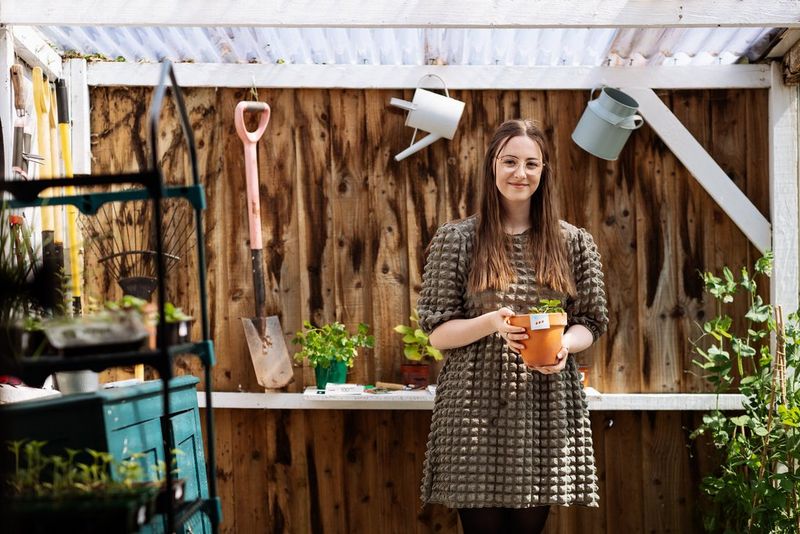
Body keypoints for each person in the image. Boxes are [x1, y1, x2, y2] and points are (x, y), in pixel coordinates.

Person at [416, 119, 608, 533]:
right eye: (510, 161)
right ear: (492, 167)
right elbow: (437, 330)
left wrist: (565, 348)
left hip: (544, 406)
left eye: (531, 164)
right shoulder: (458, 239)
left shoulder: (573, 242)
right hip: (473, 410)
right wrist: (489, 322)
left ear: (543, 172)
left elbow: (590, 322)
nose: (520, 173)